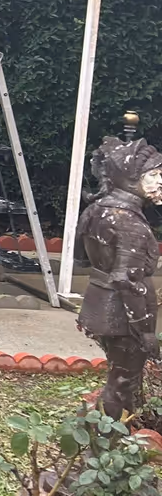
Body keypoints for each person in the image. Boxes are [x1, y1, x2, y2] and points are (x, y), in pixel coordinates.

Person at [75, 130, 162, 421]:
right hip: (121, 316)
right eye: (153, 175)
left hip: (97, 303)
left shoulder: (95, 211)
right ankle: (106, 446)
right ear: (130, 178)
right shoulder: (130, 225)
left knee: (119, 375)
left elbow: (79, 255)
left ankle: (115, 434)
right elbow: (129, 283)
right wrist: (146, 332)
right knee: (123, 382)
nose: (160, 181)